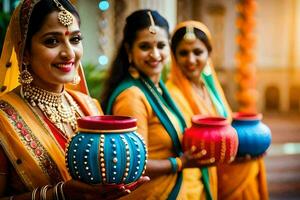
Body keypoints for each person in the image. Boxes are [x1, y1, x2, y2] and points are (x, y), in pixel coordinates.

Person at [0, 0, 148, 199]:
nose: (69, 53)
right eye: (52, 41)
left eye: (75, 39)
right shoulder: (4, 118)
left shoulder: (87, 105)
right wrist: (58, 194)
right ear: (24, 52)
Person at [101, 10, 211, 200]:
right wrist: (180, 163)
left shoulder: (156, 88)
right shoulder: (132, 96)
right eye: (145, 46)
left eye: (161, 45)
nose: (155, 54)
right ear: (129, 50)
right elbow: (132, 164)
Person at [166, 20, 269, 200]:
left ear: (209, 54)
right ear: (174, 57)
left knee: (253, 163)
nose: (191, 59)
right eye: (183, 53)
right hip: (197, 168)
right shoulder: (170, 93)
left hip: (222, 161)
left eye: (198, 52)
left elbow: (226, 122)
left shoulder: (209, 87)